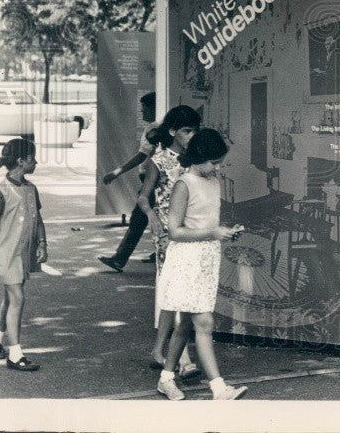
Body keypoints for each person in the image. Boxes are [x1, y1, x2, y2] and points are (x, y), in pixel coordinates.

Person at [156, 129, 247, 400]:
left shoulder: (213, 180)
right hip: (186, 259)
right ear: (198, 157)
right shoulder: (184, 184)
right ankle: (219, 388)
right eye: (214, 162)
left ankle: (166, 379)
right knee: (204, 323)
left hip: (207, 256)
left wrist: (225, 231)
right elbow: (174, 231)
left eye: (219, 162)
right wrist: (213, 233)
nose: (217, 167)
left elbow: (206, 222)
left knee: (184, 324)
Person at [141, 105, 203, 378]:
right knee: (179, 291)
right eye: (186, 131)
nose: (191, 136)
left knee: (173, 292)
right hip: (169, 234)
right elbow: (143, 197)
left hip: (193, 231)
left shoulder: (195, 159)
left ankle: (158, 350)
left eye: (194, 131)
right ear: (173, 131)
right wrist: (152, 217)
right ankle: (184, 358)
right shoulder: (160, 160)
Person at [0, 138, 47, 372]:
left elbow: (38, 219)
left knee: (11, 298)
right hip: (3, 254)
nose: (36, 162)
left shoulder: (31, 188)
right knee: (18, 298)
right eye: (33, 158)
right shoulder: (0, 193)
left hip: (22, 254)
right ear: (21, 161)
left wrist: (43, 243)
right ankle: (15, 354)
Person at [99, 92, 158, 272]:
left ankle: (119, 258)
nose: (142, 114)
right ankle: (159, 253)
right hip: (155, 179)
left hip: (152, 180)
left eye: (145, 109)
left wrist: (117, 171)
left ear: (154, 108)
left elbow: (141, 156)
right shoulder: (160, 127)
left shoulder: (154, 130)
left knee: (138, 219)